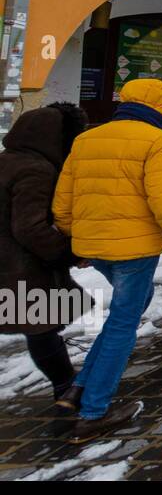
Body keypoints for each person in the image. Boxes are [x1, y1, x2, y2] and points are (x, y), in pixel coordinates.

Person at [53, 78, 162, 444]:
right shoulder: (157, 142)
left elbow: (62, 202)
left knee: (130, 308)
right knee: (124, 324)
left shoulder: (86, 139)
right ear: (161, 111)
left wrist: (79, 242)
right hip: (135, 251)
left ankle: (78, 388)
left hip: (94, 247)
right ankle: (94, 412)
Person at [0, 103, 89, 411]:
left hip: (11, 262)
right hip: (19, 265)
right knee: (41, 327)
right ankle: (66, 387)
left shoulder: (7, 160)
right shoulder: (36, 169)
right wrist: (65, 253)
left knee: (41, 324)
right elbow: (30, 227)